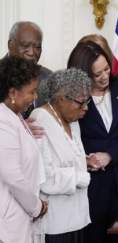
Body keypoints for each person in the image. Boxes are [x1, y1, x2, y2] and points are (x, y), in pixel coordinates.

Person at [68, 41, 118, 243]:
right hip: (91, 189)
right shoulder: (71, 99)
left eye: (106, 69)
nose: (104, 77)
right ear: (84, 74)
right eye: (97, 74)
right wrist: (86, 159)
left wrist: (110, 155)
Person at [29, 68, 92, 243]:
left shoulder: (73, 121)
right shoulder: (39, 120)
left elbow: (70, 158)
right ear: (61, 98)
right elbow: (45, 179)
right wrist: (81, 177)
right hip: (55, 223)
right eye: (81, 103)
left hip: (78, 217)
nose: (85, 108)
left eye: (88, 101)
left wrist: (86, 161)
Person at [0, 56, 47, 243]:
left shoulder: (16, 117)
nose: (35, 97)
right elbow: (14, 177)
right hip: (7, 225)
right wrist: (37, 207)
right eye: (31, 92)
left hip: (19, 220)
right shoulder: (3, 122)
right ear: (12, 92)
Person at [6, 21, 52, 112]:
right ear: (10, 45)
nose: (31, 53)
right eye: (25, 46)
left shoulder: (49, 77)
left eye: (37, 47)